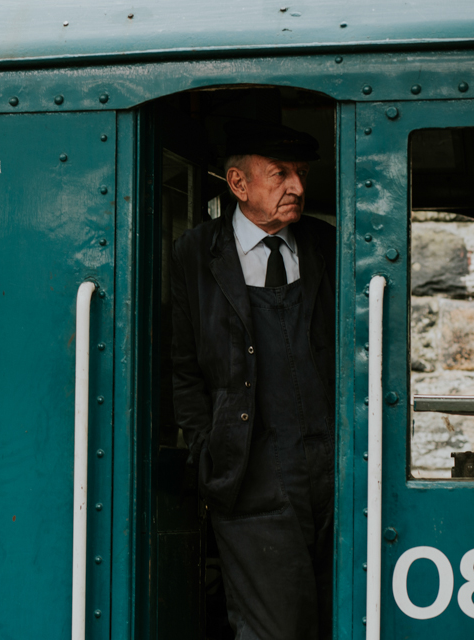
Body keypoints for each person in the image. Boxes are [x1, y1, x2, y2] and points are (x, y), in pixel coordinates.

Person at [171, 122, 336, 639]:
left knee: (343, 618)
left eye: (302, 174)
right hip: (250, 476)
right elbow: (181, 366)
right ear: (238, 184)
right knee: (275, 630)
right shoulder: (195, 255)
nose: (298, 188)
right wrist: (207, 448)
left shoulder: (325, 246)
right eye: (280, 174)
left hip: (333, 473)